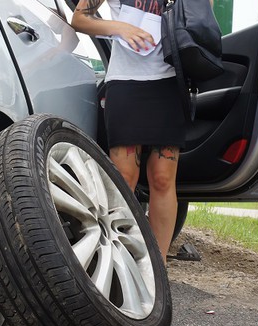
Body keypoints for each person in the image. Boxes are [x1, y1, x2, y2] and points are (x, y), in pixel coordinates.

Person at [71, 0, 198, 263]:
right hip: (125, 82)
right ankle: (118, 258)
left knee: (163, 178)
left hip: (169, 82)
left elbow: (201, 16)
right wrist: (121, 28)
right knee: (125, 177)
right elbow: (80, 18)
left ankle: (157, 265)